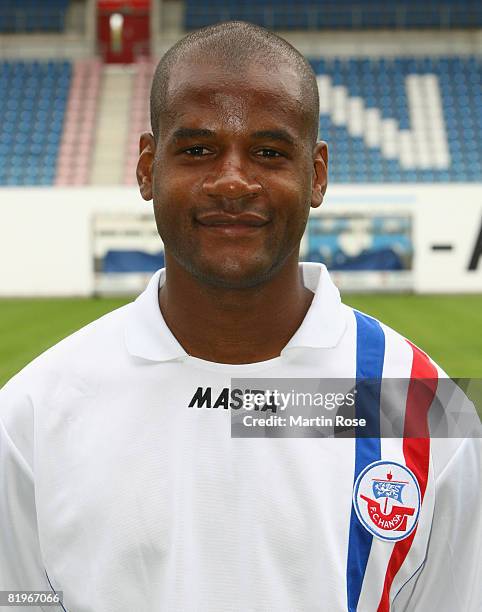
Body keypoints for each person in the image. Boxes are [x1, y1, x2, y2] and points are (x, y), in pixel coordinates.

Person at [0, 20, 480, 612]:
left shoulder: (421, 406)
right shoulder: (30, 416)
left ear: (318, 173)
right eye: (197, 149)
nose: (232, 181)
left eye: (269, 152)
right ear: (148, 167)